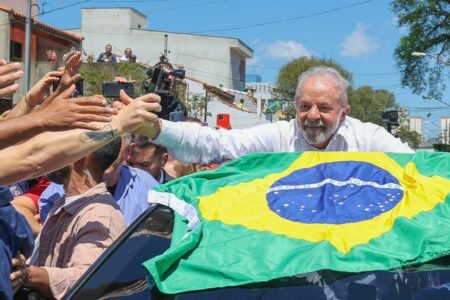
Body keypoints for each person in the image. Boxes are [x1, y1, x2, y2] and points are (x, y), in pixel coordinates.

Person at [142, 66, 413, 165]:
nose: (312, 115)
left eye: (325, 108)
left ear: (344, 113)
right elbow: (215, 143)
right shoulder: (278, 136)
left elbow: (419, 168)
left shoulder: (369, 139)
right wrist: (155, 127)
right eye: (304, 106)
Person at [21, 139, 126, 299]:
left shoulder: (99, 215)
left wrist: (28, 275)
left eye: (60, 143)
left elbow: (86, 279)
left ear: (82, 155)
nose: (50, 152)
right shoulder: (66, 203)